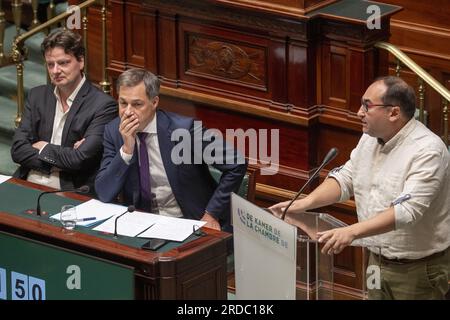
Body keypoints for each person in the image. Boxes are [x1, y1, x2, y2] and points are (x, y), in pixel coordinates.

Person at [270, 76, 450, 300]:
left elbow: (407, 211)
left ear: (394, 113)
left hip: (416, 269)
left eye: (367, 105)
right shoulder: (370, 138)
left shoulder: (428, 151)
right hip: (375, 259)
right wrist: (305, 203)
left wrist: (351, 231)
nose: (358, 112)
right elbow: (346, 178)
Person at [95, 68, 247, 231]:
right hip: (140, 224)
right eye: (123, 103)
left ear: (154, 102)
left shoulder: (184, 130)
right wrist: (126, 150)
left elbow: (236, 164)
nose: (128, 112)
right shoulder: (113, 131)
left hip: (190, 222)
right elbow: (104, 192)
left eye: (137, 104)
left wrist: (212, 213)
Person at [11, 30, 117, 194]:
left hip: (69, 190)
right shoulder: (37, 95)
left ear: (81, 61)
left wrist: (43, 148)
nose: (55, 71)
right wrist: (61, 159)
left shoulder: (103, 105)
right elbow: (18, 150)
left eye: (63, 63)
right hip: (27, 181)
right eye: (50, 64)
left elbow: (79, 160)